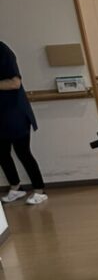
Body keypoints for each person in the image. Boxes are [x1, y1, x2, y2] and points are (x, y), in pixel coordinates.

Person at [0, 41, 47, 205]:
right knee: (2, 153)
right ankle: (16, 187)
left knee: (23, 152)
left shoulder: (3, 51)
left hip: (15, 114)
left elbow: (15, 83)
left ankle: (40, 190)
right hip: (1, 116)